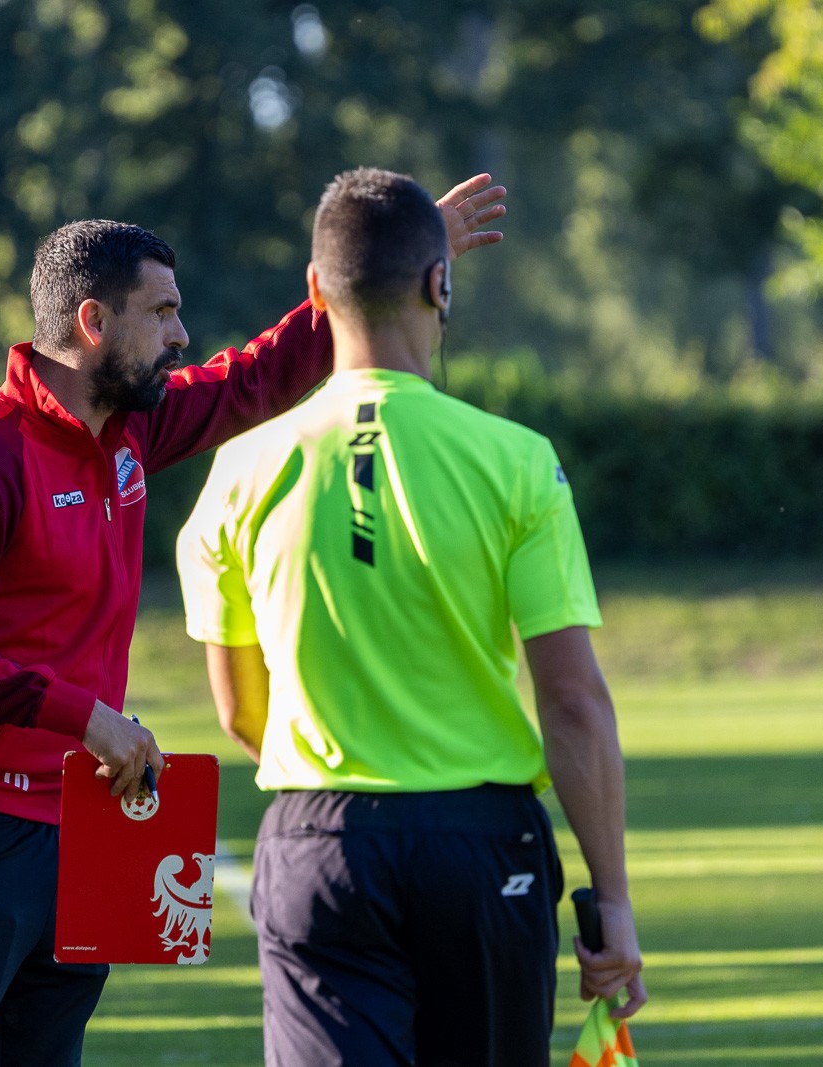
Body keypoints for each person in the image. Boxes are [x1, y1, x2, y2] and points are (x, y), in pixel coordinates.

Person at [0, 173, 508, 1067]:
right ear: (94, 322)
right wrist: (83, 716)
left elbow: (260, 376)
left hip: (80, 814)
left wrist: (394, 254)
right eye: (161, 312)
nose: (181, 335)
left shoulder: (130, 429)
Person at [176, 167, 646, 1067]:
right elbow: (574, 702)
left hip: (319, 840)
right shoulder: (517, 462)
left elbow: (240, 712)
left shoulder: (237, 470)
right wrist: (613, 897)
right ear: (441, 284)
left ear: (313, 293)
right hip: (481, 848)